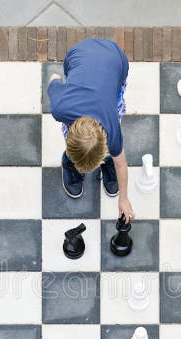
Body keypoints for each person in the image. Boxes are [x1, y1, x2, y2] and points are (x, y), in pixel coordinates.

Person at [47, 38, 135, 222]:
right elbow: (54, 78)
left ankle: (104, 162)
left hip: (116, 59)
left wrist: (124, 199)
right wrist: (66, 84)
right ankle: (70, 161)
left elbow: (121, 163)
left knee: (116, 102)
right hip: (77, 55)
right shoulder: (60, 108)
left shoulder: (111, 127)